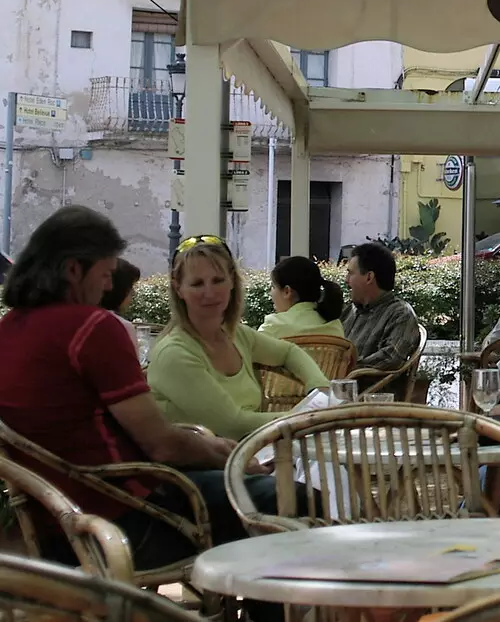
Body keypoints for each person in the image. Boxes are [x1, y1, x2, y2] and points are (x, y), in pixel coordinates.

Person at [0, 208, 274, 572]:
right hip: (121, 523)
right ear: (73, 270)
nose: (107, 288)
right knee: (286, 498)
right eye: (105, 275)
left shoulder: (9, 329)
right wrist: (227, 456)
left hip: (53, 527)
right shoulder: (90, 328)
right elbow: (161, 443)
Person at [147, 240, 331, 439]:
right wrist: (311, 417)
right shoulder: (173, 354)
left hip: (254, 451)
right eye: (197, 284)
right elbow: (233, 425)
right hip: (201, 466)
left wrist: (320, 388)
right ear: (178, 289)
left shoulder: (236, 334)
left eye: (218, 280)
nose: (209, 293)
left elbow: (289, 352)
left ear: (232, 281)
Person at [341, 242, 421, 372]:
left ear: (369, 277)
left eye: (350, 273)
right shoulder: (349, 311)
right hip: (336, 387)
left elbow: (391, 357)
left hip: (371, 391)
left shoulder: (400, 314)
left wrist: (345, 369)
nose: (346, 280)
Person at [259, 256, 346, 339]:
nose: (270, 293)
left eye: (273, 287)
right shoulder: (335, 326)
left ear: (287, 291)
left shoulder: (273, 326)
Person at [101, 258, 143, 351]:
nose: (133, 293)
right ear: (121, 289)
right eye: (131, 287)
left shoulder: (82, 319)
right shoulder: (122, 327)